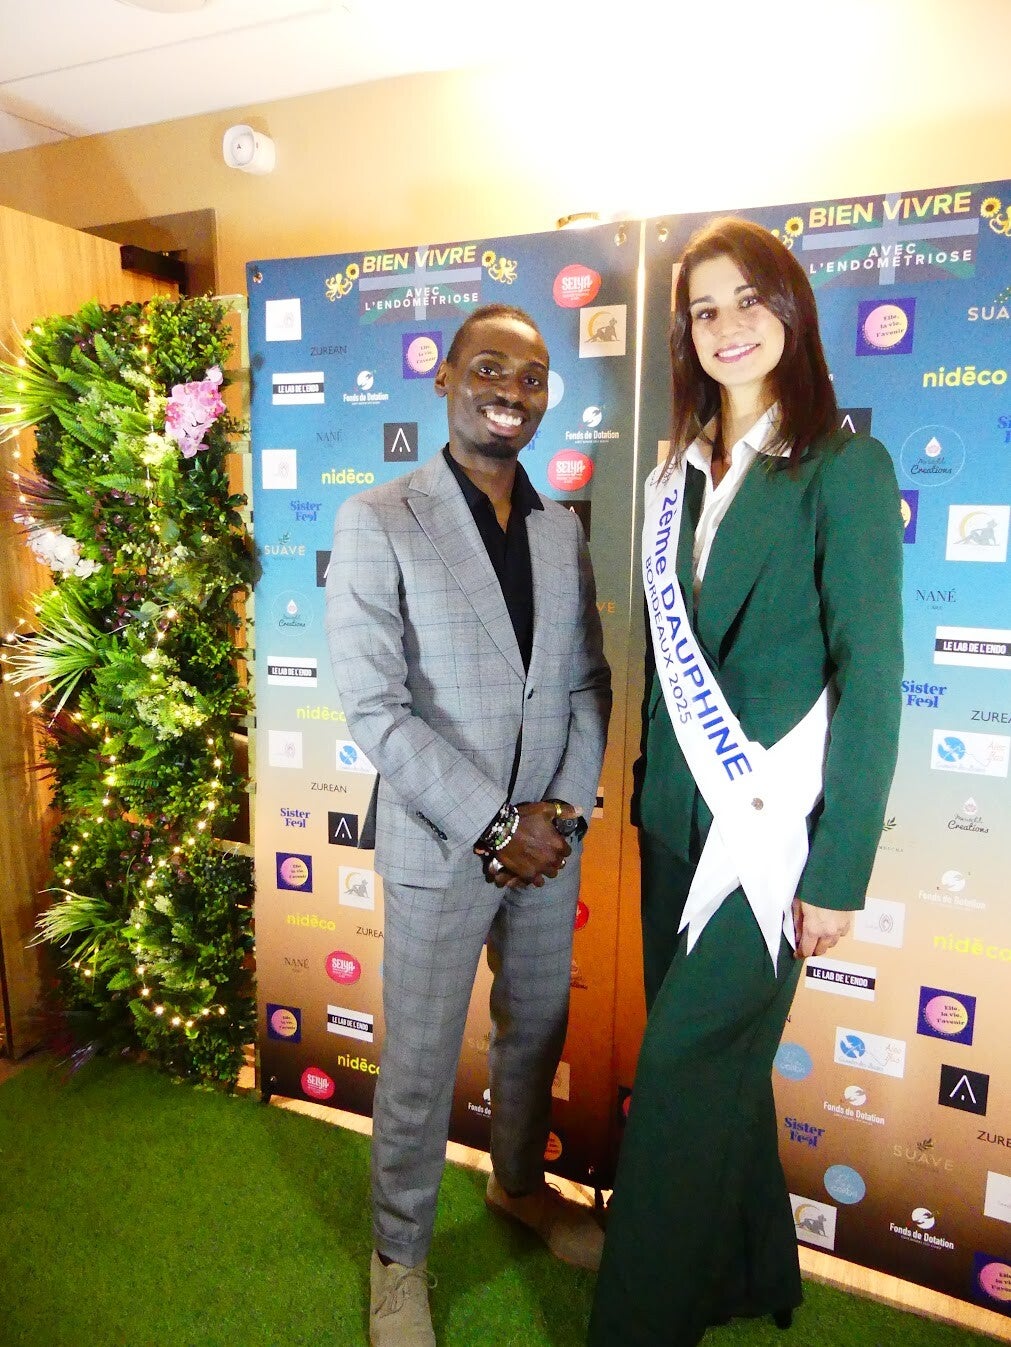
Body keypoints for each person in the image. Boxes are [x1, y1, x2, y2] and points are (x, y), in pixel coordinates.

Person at [588, 218, 903, 1346]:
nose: (727, 326)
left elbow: (871, 674)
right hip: (676, 822)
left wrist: (841, 870)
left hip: (770, 840)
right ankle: (751, 1264)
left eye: (749, 299)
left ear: (792, 310)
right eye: (703, 309)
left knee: (680, 1074)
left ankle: (639, 1322)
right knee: (718, 1071)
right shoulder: (672, 475)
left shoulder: (843, 469)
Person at [325, 303, 612, 1347]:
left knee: (535, 1030)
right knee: (419, 1060)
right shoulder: (379, 517)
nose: (510, 392)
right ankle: (397, 1256)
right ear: (446, 377)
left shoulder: (556, 527)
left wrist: (559, 815)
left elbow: (584, 682)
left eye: (531, 377)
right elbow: (375, 708)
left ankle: (517, 1186)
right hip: (443, 843)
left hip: (547, 847)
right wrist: (497, 825)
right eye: (489, 368)